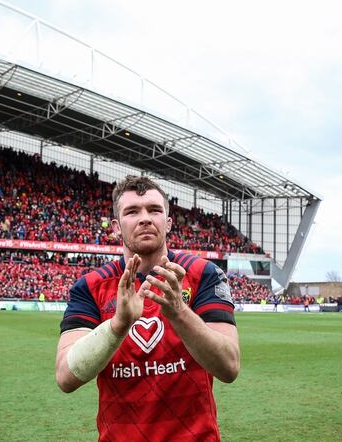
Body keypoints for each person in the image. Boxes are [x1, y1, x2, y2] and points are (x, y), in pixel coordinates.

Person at [55, 175, 240, 441]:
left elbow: (229, 367)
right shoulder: (90, 286)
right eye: (132, 211)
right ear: (117, 227)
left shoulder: (204, 274)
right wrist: (118, 325)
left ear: (168, 222)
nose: (145, 218)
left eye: (154, 210)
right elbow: (65, 377)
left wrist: (179, 312)